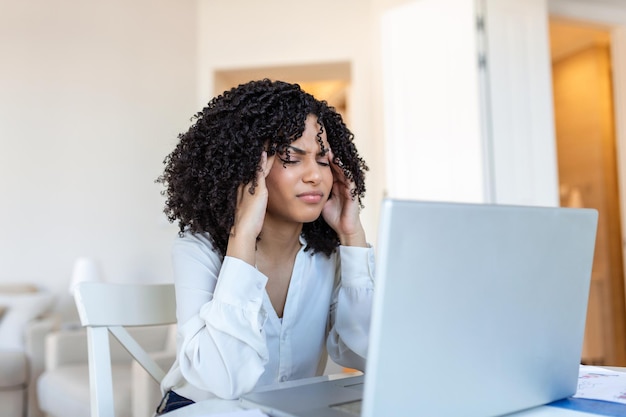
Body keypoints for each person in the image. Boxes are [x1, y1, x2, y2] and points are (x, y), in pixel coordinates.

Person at [155, 79, 375, 413]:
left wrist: (352, 236)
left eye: (322, 159)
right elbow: (223, 381)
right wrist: (242, 236)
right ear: (246, 167)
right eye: (291, 157)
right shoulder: (197, 248)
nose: (315, 175)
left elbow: (370, 353)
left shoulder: (329, 255)